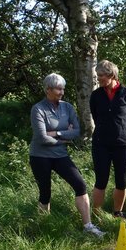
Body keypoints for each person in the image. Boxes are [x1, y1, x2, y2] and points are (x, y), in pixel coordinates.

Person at [29, 73, 104, 237]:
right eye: (58, 89)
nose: (62, 92)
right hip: (40, 156)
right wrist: (63, 138)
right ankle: (44, 228)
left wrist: (55, 133)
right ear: (48, 89)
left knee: (80, 185)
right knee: (45, 193)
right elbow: (42, 138)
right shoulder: (38, 109)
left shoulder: (67, 107)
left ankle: (88, 226)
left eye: (63, 89)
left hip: (60, 155)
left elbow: (77, 131)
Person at [90, 60, 126, 218]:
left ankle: (117, 213)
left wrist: (121, 129)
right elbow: (96, 116)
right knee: (101, 180)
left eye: (101, 75)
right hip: (100, 144)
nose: (99, 78)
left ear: (111, 75)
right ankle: (96, 215)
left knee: (121, 180)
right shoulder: (95, 96)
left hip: (122, 144)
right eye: (98, 75)